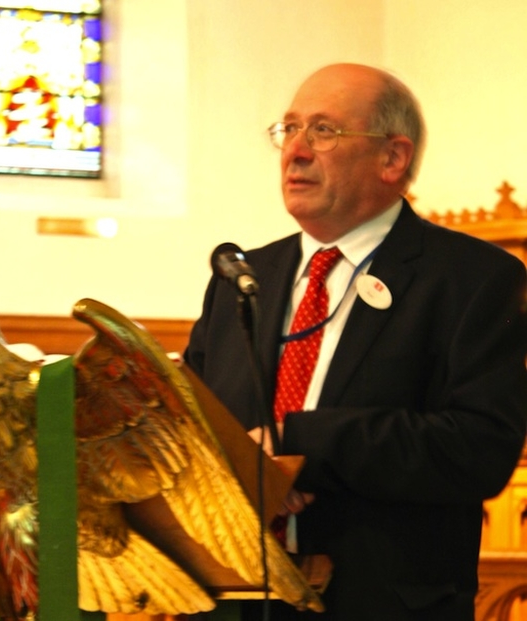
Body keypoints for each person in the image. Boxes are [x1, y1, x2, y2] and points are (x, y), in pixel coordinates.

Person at [183, 63, 527, 620]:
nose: (294, 150)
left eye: (322, 130)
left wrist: (304, 449)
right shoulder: (244, 279)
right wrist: (253, 473)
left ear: (393, 158)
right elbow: (192, 427)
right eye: (288, 128)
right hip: (235, 600)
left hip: (379, 600)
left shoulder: (471, 279)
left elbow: (479, 448)